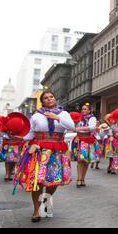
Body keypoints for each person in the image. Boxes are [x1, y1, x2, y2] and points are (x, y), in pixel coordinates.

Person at [13, 90, 75, 223]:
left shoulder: (64, 113)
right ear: (42, 101)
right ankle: (36, 210)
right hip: (39, 151)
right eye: (46, 98)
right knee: (37, 181)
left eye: (51, 96)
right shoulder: (36, 116)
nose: (49, 99)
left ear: (55, 99)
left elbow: (72, 126)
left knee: (54, 180)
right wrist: (19, 137)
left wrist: (56, 117)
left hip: (57, 152)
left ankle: (46, 199)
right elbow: (30, 134)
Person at [74, 104, 98, 187]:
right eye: (82, 109)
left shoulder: (92, 118)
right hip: (80, 140)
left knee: (85, 161)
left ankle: (83, 178)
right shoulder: (78, 118)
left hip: (88, 141)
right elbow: (74, 127)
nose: (83, 110)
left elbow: (92, 127)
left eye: (85, 109)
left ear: (89, 110)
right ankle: (79, 178)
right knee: (80, 160)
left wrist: (80, 129)